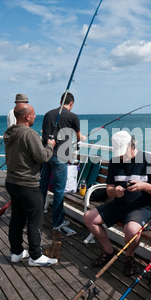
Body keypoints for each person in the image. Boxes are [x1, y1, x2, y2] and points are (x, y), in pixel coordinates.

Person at [83, 130, 151, 276]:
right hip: (119, 205)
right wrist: (115, 192)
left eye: (123, 151)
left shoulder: (148, 159)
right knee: (89, 217)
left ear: (132, 145)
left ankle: (129, 257)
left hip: (141, 207)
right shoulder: (115, 161)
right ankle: (109, 250)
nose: (121, 156)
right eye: (118, 152)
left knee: (132, 230)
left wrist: (144, 186)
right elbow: (109, 189)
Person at [4, 102, 58, 266]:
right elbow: (42, 157)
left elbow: (26, 152)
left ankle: (16, 252)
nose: (35, 116)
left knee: (17, 218)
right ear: (27, 116)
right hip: (27, 184)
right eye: (33, 114)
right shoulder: (29, 134)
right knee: (35, 219)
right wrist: (50, 145)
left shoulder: (9, 132)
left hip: (12, 182)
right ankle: (35, 255)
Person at [40, 92, 85, 234]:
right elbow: (78, 137)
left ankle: (37, 217)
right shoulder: (72, 117)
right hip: (60, 158)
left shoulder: (48, 114)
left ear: (61, 102)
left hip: (46, 155)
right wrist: (82, 138)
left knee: (42, 187)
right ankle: (58, 222)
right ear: (71, 103)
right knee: (59, 191)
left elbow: (45, 134)